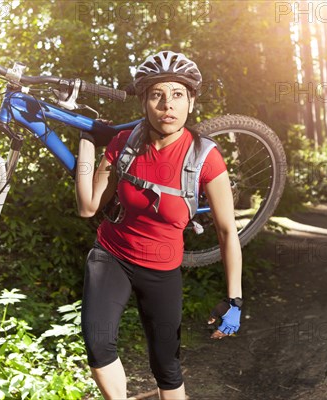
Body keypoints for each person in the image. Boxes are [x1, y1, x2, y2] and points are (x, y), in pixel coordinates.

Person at [75, 51, 243, 400]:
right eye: (157, 95)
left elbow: (227, 232)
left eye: (178, 94)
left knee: (166, 367)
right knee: (98, 344)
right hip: (112, 256)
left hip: (162, 270)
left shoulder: (205, 158)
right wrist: (87, 139)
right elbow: (88, 206)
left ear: (191, 102)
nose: (168, 104)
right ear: (144, 103)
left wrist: (235, 299)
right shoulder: (124, 145)